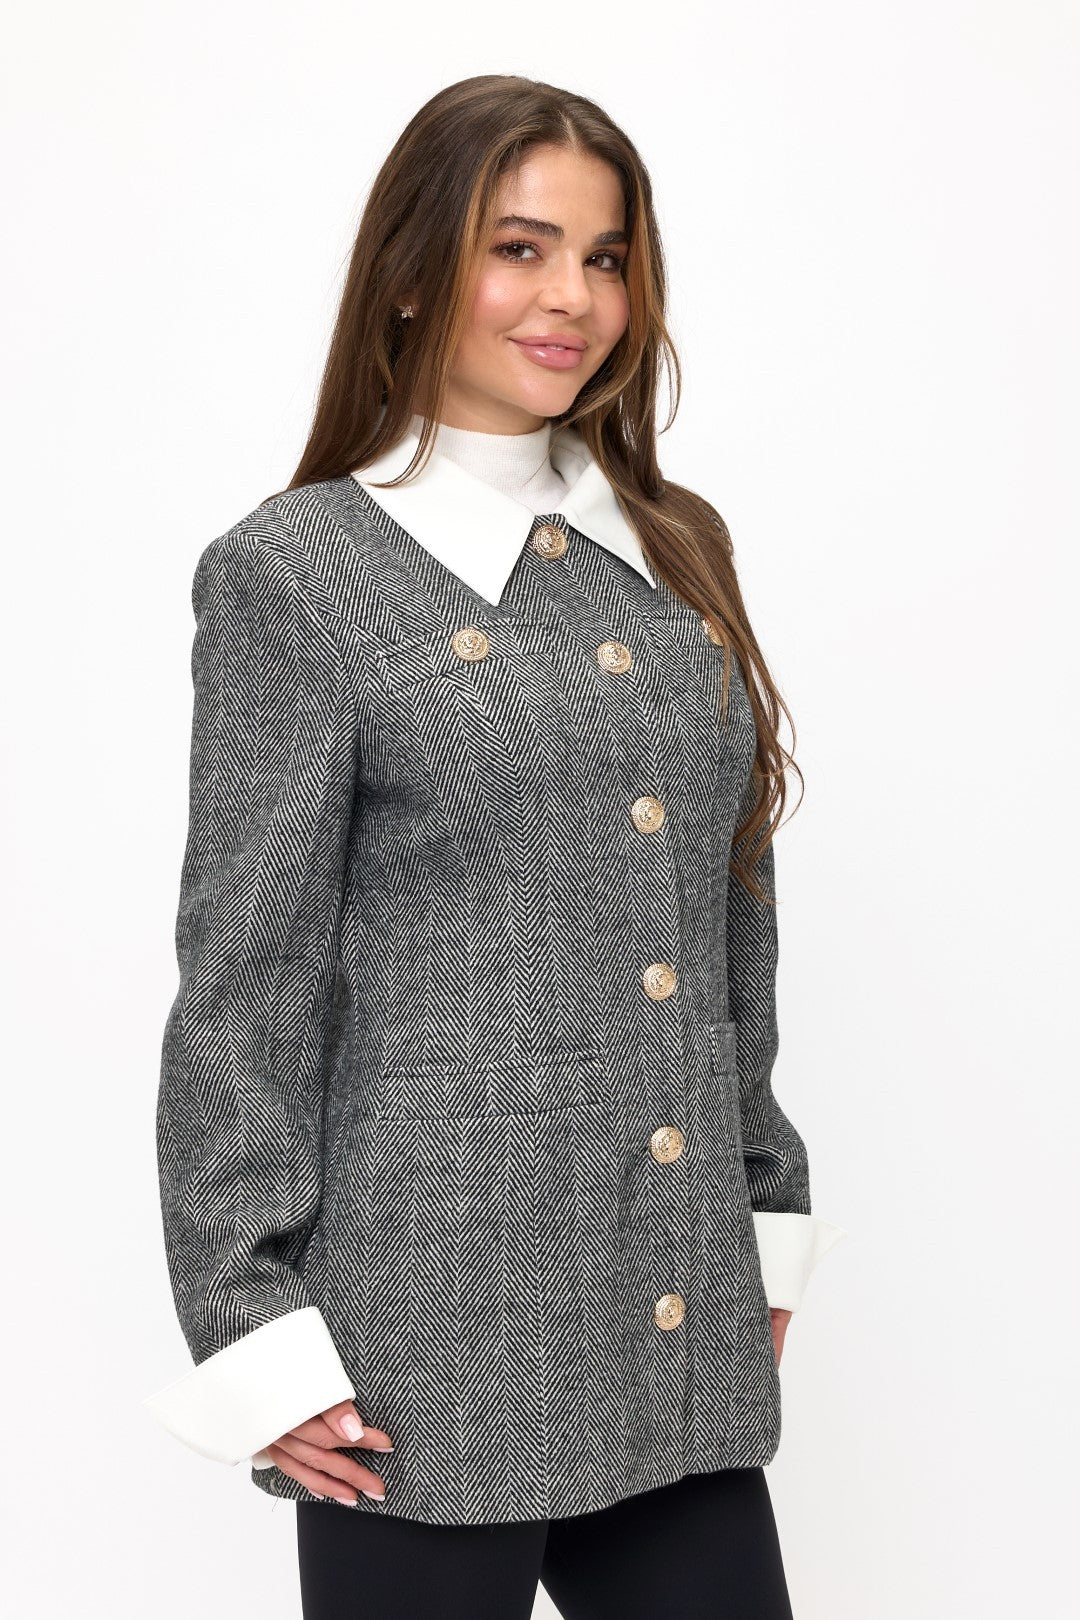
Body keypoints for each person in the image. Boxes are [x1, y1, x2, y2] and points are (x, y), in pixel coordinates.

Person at [141, 73, 847, 1619]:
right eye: (518, 248)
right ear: (413, 271)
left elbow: (730, 915)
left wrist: (758, 1211)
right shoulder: (295, 573)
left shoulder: (674, 547)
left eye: (605, 258)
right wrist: (249, 1320)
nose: (571, 298)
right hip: (423, 1345)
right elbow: (246, 981)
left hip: (673, 1304)